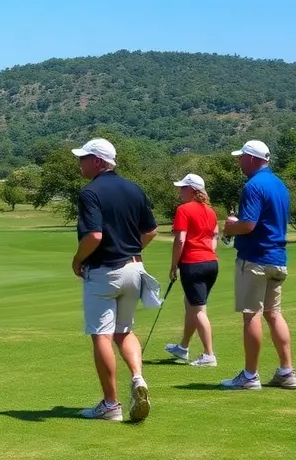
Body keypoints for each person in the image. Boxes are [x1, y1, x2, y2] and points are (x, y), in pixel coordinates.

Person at [70, 138, 158, 423]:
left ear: (97, 161)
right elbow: (151, 231)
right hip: (134, 269)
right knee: (124, 330)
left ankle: (111, 404)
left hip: (104, 272)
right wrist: (131, 250)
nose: (80, 162)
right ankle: (137, 377)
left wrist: (78, 259)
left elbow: (94, 235)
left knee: (102, 335)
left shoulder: (90, 192)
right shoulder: (134, 188)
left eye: (84, 158)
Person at [220, 140, 296, 390]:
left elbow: (249, 225)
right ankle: (287, 371)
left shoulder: (253, 186)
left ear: (253, 159)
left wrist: (232, 225)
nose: (239, 161)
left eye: (242, 157)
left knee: (251, 315)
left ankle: (250, 376)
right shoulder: (279, 184)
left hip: (255, 259)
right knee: (274, 314)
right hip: (278, 258)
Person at [163, 173, 220, 366]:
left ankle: (209, 355)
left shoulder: (184, 210)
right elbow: (214, 237)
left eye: (182, 188)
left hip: (193, 263)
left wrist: (173, 265)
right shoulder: (211, 211)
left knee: (198, 310)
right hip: (211, 263)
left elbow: (180, 240)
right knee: (192, 304)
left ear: (192, 190)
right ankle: (183, 347)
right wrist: (207, 253)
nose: (179, 192)